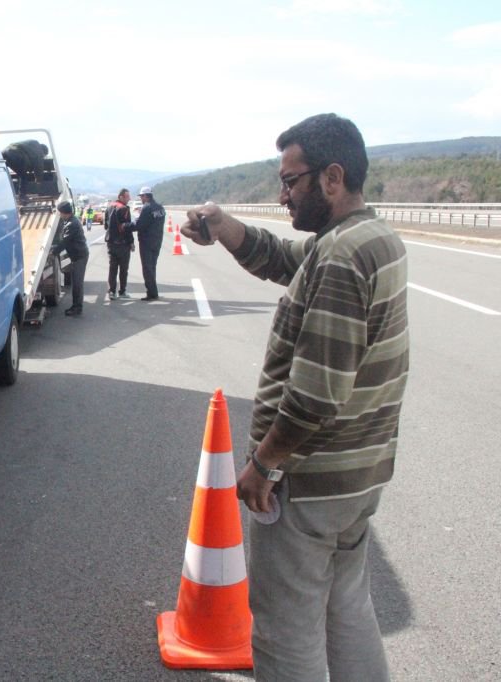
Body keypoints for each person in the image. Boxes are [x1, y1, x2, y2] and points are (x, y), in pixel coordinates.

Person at [181, 113, 409, 682]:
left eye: (291, 181)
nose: (283, 194)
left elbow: (315, 396)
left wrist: (263, 464)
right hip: (359, 474)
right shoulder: (371, 238)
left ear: (332, 178)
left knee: (284, 631)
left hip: (310, 480)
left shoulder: (339, 257)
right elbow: (286, 261)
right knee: (346, 608)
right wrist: (225, 227)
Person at [51, 201, 89, 316]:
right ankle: (76, 306)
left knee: (77, 283)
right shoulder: (70, 221)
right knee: (76, 282)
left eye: (60, 212)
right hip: (78, 255)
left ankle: (77, 308)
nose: (59, 215)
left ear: (64, 212)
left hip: (79, 256)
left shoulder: (72, 224)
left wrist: (53, 252)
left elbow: (65, 241)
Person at [132, 186, 165, 300]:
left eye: (141, 196)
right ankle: (153, 291)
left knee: (147, 268)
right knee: (152, 266)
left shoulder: (147, 208)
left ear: (146, 196)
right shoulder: (160, 207)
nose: (141, 198)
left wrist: (126, 226)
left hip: (147, 242)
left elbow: (139, 225)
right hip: (157, 240)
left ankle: (152, 293)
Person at [104, 188, 134, 300]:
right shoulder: (124, 209)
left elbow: (106, 225)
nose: (129, 199)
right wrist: (131, 242)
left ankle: (111, 291)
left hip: (111, 243)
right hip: (122, 244)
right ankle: (122, 291)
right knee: (123, 269)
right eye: (127, 197)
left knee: (112, 269)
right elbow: (126, 228)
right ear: (121, 197)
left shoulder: (109, 206)